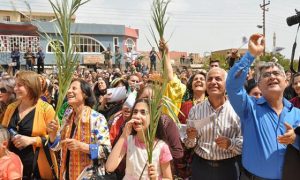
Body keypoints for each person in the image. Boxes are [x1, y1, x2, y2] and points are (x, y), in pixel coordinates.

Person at [226, 34, 300, 179]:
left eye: (276, 73)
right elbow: (232, 86)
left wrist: (295, 139)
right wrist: (250, 55)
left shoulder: (297, 113)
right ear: (259, 85)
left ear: (286, 81)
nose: (272, 76)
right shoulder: (249, 108)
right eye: (266, 75)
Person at [184, 67, 242, 180]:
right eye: (209, 79)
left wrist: (231, 143)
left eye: (218, 79)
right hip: (201, 167)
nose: (213, 82)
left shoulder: (237, 110)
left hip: (227, 169)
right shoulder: (196, 110)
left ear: (227, 84)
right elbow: (189, 144)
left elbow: (245, 142)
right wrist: (191, 138)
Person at [47, 79, 111, 179]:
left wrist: (81, 146)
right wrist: (52, 134)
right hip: (66, 174)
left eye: (74, 88)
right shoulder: (67, 116)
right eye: (69, 88)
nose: (69, 91)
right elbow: (58, 146)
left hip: (89, 175)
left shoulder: (97, 118)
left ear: (85, 94)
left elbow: (106, 151)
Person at [1, 71, 58, 179]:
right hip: (11, 169)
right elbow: (3, 133)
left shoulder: (47, 109)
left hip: (37, 170)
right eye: (15, 85)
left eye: (19, 85)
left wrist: (31, 140)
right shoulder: (11, 108)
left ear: (31, 86)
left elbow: (55, 141)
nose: (15, 89)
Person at [106, 99, 173, 179]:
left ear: (153, 118)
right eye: (135, 112)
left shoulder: (161, 146)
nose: (137, 116)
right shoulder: (128, 140)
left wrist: (156, 178)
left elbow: (168, 178)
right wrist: (124, 135)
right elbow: (109, 167)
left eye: (143, 112)